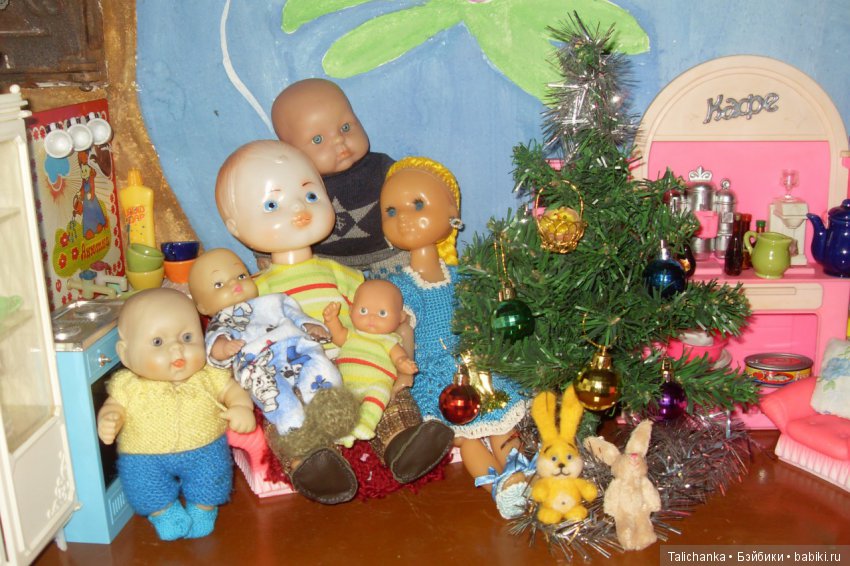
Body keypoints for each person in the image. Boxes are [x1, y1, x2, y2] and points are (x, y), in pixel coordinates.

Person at [215, 140, 453, 496]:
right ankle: (311, 462)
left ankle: (402, 442)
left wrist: (401, 357)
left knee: (386, 394)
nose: (299, 209)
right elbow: (241, 337)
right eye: (272, 205)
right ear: (235, 226)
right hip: (299, 375)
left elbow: (380, 318)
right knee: (286, 413)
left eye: (310, 196)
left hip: (356, 362)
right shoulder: (255, 289)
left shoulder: (339, 272)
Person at [380, 156, 533, 519]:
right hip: (438, 375)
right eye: (391, 211)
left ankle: (522, 475)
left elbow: (486, 317)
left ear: (452, 210)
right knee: (465, 436)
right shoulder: (401, 286)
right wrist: (403, 368)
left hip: (477, 364)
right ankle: (499, 488)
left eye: (417, 205)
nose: (403, 217)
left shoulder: (464, 275)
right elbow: (403, 333)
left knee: (503, 422)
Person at [96, 288, 256, 540]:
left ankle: (203, 509)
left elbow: (232, 390)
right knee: (142, 484)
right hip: (144, 455)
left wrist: (242, 407)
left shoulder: (208, 375)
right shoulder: (127, 385)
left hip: (205, 448)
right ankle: (163, 513)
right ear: (125, 354)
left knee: (213, 477)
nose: (177, 350)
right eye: (158, 342)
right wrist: (109, 418)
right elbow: (114, 405)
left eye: (187, 337)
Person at [188, 248, 354, 452]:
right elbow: (214, 349)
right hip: (258, 365)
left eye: (241, 276)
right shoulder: (220, 321)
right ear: (202, 307)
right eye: (219, 284)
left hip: (295, 346)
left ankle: (330, 405)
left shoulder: (274, 300)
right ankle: (296, 431)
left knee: (318, 365)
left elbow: (295, 315)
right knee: (276, 397)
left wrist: (310, 326)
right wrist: (224, 347)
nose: (235, 284)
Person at [269, 78, 405, 275]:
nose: (339, 140)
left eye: (345, 128)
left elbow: (412, 188)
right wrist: (267, 253)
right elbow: (272, 220)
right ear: (290, 151)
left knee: (403, 284)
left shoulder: (381, 167)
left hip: (389, 253)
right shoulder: (295, 186)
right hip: (325, 264)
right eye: (318, 139)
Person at [323, 279, 417, 446]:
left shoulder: (389, 341)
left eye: (382, 313)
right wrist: (331, 320)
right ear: (351, 311)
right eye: (363, 311)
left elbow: (399, 357)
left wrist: (404, 363)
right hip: (346, 383)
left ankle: (365, 423)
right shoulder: (351, 334)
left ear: (400, 318)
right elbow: (337, 337)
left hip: (376, 383)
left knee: (380, 394)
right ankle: (340, 433)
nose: (371, 317)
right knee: (335, 399)